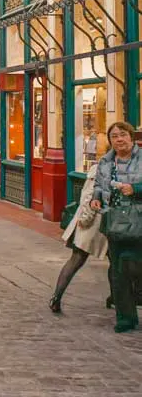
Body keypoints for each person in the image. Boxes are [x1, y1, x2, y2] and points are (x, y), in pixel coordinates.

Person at [91, 121, 142, 333]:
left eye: (123, 135)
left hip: (138, 220)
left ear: (131, 137)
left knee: (135, 266)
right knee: (118, 270)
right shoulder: (106, 162)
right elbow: (98, 185)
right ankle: (125, 317)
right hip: (113, 220)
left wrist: (136, 188)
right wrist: (96, 199)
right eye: (114, 136)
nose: (119, 139)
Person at [49, 162, 108, 314]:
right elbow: (88, 196)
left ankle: (115, 298)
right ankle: (56, 297)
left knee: (116, 263)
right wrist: (86, 218)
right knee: (77, 259)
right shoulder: (101, 168)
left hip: (110, 224)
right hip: (93, 223)